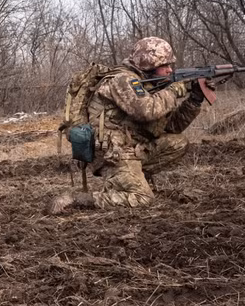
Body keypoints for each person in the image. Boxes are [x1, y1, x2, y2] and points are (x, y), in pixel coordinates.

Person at [47, 37, 205, 214]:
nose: (170, 70)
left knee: (177, 142)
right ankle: (78, 199)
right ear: (149, 64)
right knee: (142, 198)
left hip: (131, 148)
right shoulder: (123, 80)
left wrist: (195, 100)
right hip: (113, 154)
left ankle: (133, 179)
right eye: (165, 66)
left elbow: (172, 127)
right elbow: (146, 110)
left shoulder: (151, 85)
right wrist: (174, 91)